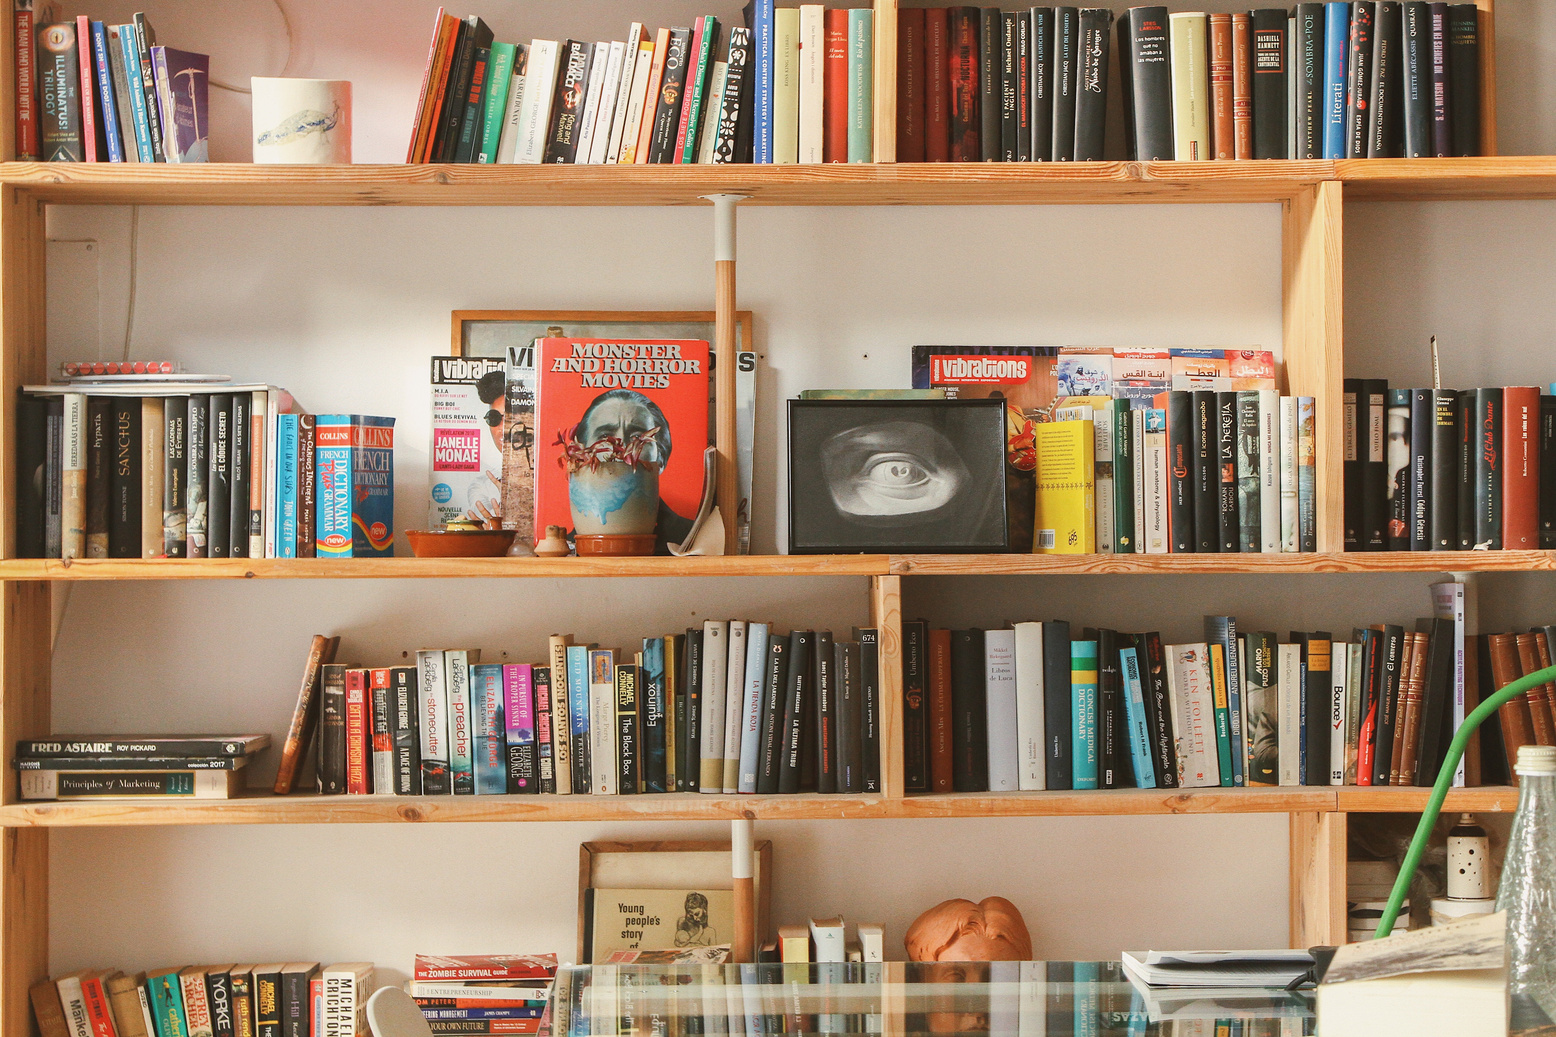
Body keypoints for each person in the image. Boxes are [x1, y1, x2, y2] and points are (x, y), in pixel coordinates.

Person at [567, 388, 694, 552]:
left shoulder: (691, 540)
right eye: (604, 436)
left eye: (637, 438)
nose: (621, 447)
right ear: (580, 457)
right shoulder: (564, 550)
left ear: (660, 459)